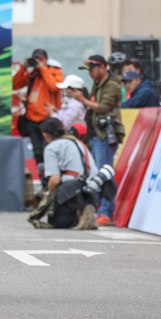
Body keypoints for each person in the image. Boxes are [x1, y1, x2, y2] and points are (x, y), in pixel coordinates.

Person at [63, 54, 123, 225]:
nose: (90, 73)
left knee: (105, 172)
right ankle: (101, 209)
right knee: (99, 173)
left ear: (102, 67)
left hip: (104, 134)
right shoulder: (99, 84)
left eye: (92, 69)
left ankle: (106, 211)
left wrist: (81, 99)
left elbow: (104, 107)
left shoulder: (111, 85)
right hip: (97, 133)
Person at [28, 118, 98, 230]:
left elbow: (55, 180)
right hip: (92, 189)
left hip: (72, 190)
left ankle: (78, 214)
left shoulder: (52, 147)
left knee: (57, 221)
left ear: (45, 135)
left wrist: (49, 195)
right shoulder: (78, 142)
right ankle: (85, 208)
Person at [13, 48, 63, 168]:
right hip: (31, 119)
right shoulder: (32, 75)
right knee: (38, 151)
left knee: (48, 149)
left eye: (40, 59)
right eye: (35, 59)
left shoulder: (54, 71)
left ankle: (51, 174)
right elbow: (15, 84)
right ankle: (42, 176)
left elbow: (54, 87)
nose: (37, 62)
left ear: (46, 60)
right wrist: (23, 68)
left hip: (46, 119)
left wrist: (42, 68)